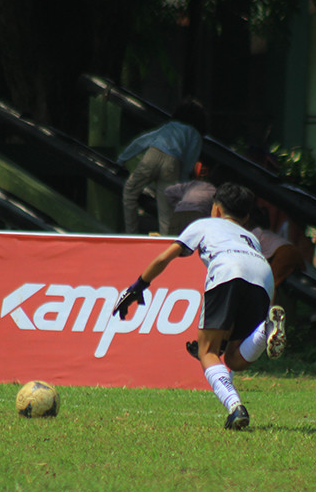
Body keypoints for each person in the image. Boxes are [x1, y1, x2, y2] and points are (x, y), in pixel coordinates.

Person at [113, 183, 286, 430]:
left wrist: (137, 286)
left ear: (215, 209)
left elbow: (165, 257)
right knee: (234, 359)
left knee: (207, 353)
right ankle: (265, 329)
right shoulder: (251, 238)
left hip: (228, 271)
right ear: (246, 216)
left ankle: (235, 407)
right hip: (264, 279)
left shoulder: (204, 224)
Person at [117, 97, 206, 235]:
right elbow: (189, 164)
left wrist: (122, 158)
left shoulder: (170, 125)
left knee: (130, 192)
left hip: (153, 154)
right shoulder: (195, 135)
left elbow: (142, 141)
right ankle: (166, 240)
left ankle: (131, 233)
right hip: (173, 163)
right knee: (166, 209)